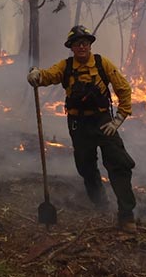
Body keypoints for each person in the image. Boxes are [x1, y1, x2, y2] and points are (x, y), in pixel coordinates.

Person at [27, 25, 137, 233]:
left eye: (85, 42)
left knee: (119, 164)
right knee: (86, 167)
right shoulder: (66, 67)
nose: (82, 46)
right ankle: (100, 204)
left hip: (104, 123)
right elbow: (48, 76)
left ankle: (126, 215)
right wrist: (36, 75)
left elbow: (123, 88)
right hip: (78, 125)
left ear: (90, 44)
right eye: (77, 43)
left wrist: (119, 119)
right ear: (71, 47)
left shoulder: (102, 64)